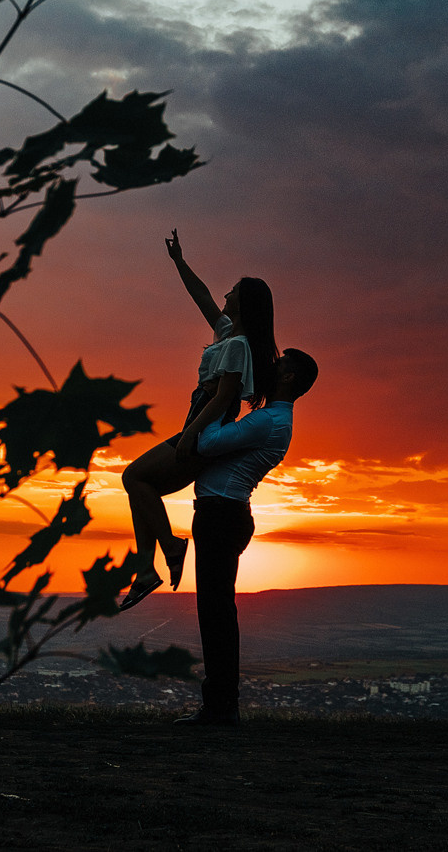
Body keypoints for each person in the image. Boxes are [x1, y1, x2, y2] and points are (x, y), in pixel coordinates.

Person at [117, 231, 276, 611]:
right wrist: (179, 262)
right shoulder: (227, 334)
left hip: (205, 426)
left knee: (134, 477)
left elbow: (223, 397)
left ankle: (166, 551)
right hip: (198, 422)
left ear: (244, 302)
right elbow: (202, 297)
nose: (226, 294)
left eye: (234, 290)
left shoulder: (238, 346)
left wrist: (191, 433)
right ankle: (146, 569)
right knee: (141, 483)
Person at [175, 346, 320, 725]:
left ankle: (221, 707)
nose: (272, 367)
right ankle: (221, 705)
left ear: (289, 378)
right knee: (217, 610)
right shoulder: (272, 418)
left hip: (221, 515)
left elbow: (206, 443)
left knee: (216, 612)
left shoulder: (268, 420)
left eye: (280, 364)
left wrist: (218, 401)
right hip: (223, 514)